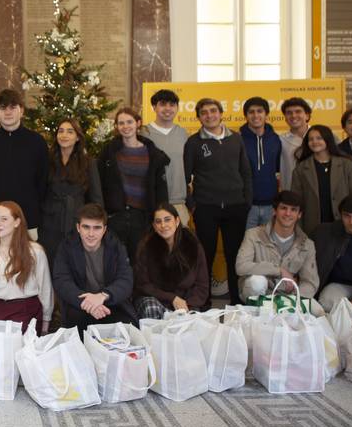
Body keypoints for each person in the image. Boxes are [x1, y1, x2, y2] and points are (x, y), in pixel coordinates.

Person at [184, 97, 252, 306]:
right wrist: (192, 204)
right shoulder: (194, 142)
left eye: (213, 111)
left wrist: (246, 201)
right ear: (199, 117)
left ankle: (235, 301)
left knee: (234, 256)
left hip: (235, 207)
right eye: (204, 112)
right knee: (205, 256)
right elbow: (186, 177)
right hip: (206, 208)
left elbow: (245, 171)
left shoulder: (236, 138)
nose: (209, 115)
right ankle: (203, 302)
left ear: (221, 113)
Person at [53, 202, 138, 332]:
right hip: (80, 304)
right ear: (78, 227)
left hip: (110, 303)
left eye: (97, 228)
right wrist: (88, 303)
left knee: (128, 328)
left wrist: (103, 296)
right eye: (86, 227)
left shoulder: (116, 247)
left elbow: (126, 280)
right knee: (77, 329)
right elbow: (62, 281)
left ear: (104, 229)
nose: (91, 234)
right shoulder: (66, 247)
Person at [0, 88, 48, 240]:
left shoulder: (37, 142)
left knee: (28, 262)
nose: (8, 112)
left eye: (13, 107)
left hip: (28, 217)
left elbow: (42, 181)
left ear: (21, 111)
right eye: (3, 108)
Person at [98, 107, 169, 259]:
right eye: (121, 123)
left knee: (141, 262)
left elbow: (160, 188)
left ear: (138, 123)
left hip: (142, 218)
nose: (125, 126)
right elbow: (100, 183)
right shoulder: (109, 152)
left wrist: (161, 215)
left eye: (129, 122)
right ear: (116, 126)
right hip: (116, 217)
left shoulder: (153, 154)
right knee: (114, 261)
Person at [0, 201, 53, 333]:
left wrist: (46, 320)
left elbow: (45, 288)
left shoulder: (35, 251)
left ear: (17, 222)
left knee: (17, 347)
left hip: (26, 309)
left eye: (4, 219)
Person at [38, 118, 103, 265]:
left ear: (78, 137)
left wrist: (96, 225)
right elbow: (40, 192)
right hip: (49, 223)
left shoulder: (88, 163)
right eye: (60, 131)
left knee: (75, 265)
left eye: (69, 131)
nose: (64, 135)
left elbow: (96, 198)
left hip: (76, 222)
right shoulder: (47, 161)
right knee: (49, 264)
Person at [235, 190, 318, 302]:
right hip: (259, 296)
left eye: (293, 210)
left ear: (299, 215)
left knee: (319, 310)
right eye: (283, 208)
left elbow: (310, 282)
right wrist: (279, 271)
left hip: (289, 299)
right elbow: (241, 267)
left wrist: (292, 301)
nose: (288, 213)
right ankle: (256, 313)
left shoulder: (307, 245)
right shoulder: (253, 235)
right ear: (274, 211)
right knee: (256, 282)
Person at [133, 203, 209, 320]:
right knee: (151, 308)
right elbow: (143, 284)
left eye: (167, 220)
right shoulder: (146, 247)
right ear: (154, 225)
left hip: (186, 302)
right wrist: (172, 298)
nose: (163, 225)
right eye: (158, 221)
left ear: (177, 221)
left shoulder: (193, 245)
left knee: (190, 320)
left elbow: (202, 285)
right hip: (154, 299)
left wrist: (186, 305)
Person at [290, 124, 352, 236]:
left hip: (344, 224)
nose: (314, 142)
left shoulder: (346, 164)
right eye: (311, 139)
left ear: (327, 139)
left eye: (319, 138)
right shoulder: (301, 168)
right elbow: (296, 202)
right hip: (313, 227)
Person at [144, 88, 191, 226]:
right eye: (163, 104)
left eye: (172, 105)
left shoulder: (183, 134)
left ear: (177, 108)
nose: (168, 109)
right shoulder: (144, 133)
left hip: (179, 203)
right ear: (154, 107)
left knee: (181, 244)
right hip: (153, 202)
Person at [240, 96, 282, 229]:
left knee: (269, 246)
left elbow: (278, 171)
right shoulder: (237, 140)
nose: (256, 115)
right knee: (246, 246)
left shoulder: (276, 140)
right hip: (246, 206)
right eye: (251, 112)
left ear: (266, 114)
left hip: (271, 205)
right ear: (246, 116)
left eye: (260, 111)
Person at [279, 97, 311, 190]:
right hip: (290, 194)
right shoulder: (280, 141)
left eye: (298, 111)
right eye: (289, 113)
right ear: (285, 118)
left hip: (318, 195)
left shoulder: (322, 136)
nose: (293, 116)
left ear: (307, 115)